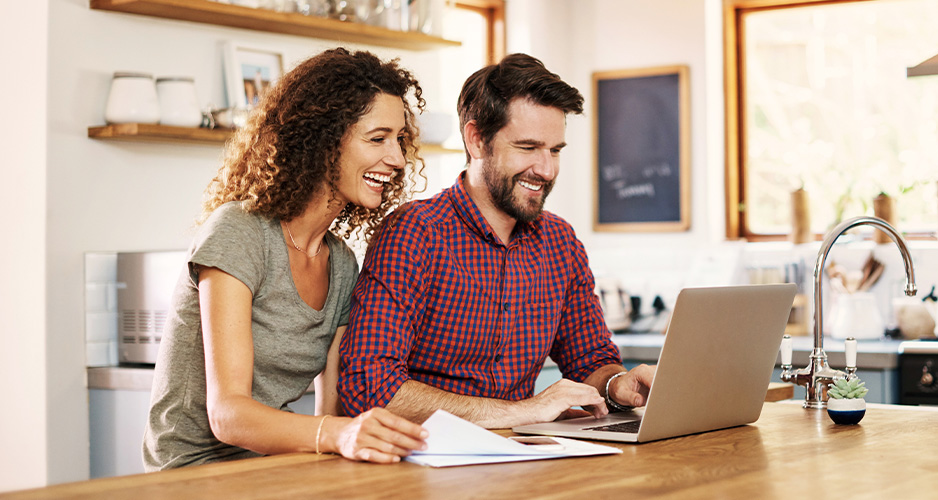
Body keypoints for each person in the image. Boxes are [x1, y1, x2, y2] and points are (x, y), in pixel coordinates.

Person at [143, 48, 430, 470]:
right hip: (191, 473)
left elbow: (333, 417)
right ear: (324, 140)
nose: (398, 159)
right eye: (377, 138)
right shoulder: (239, 232)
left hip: (272, 465)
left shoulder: (342, 264)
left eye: (400, 140)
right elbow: (228, 415)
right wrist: (338, 435)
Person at [338, 53, 655, 428]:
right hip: (428, 457)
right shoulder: (414, 234)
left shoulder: (560, 242)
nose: (546, 169)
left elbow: (591, 360)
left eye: (555, 150)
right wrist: (520, 411)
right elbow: (369, 387)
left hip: (525, 453)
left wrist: (617, 384)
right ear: (476, 140)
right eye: (527, 147)